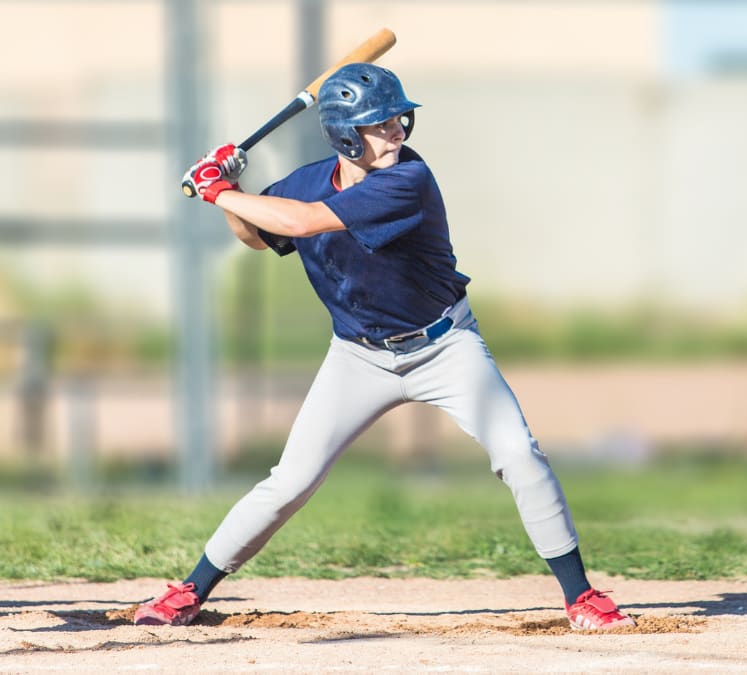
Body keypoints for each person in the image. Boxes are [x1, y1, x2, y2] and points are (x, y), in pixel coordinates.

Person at [134, 63, 634, 632]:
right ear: (346, 135)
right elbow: (256, 234)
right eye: (380, 124)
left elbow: (300, 224)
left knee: (518, 455)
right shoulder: (305, 181)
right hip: (358, 357)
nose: (397, 130)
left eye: (399, 118)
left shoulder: (407, 180)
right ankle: (190, 590)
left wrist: (217, 189)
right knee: (290, 481)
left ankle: (581, 596)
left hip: (446, 347)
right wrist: (229, 192)